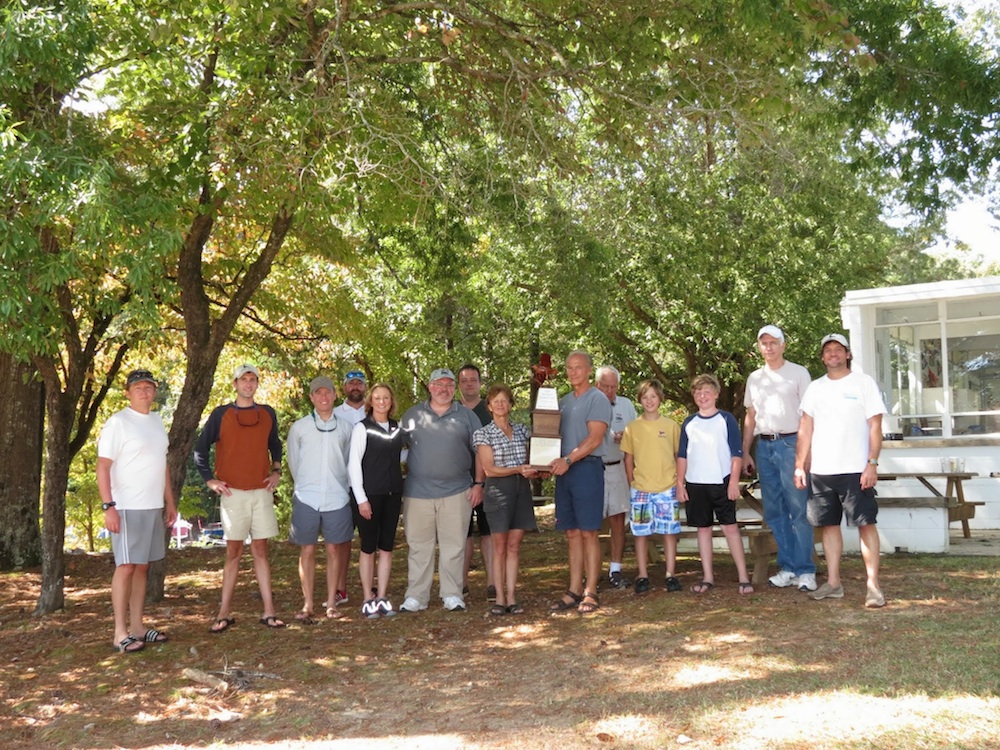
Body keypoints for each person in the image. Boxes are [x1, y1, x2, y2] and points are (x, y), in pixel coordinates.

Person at [794, 333, 887, 608]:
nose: (833, 354)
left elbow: (875, 426)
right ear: (822, 357)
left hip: (856, 470)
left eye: (838, 349)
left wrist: (872, 463)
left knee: (865, 525)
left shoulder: (863, 383)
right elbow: (805, 429)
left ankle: (873, 586)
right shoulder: (815, 388)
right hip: (821, 472)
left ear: (847, 354)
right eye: (828, 350)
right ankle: (833, 583)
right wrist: (800, 465)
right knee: (828, 526)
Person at [194, 364, 286, 632]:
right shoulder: (221, 414)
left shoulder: (267, 413)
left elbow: (275, 444)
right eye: (243, 379)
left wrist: (277, 470)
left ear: (257, 383)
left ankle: (269, 612)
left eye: (252, 379)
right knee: (233, 552)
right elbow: (200, 449)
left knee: (261, 551)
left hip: (261, 491)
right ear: (235, 384)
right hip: (232, 493)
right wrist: (209, 479)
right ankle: (223, 613)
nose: (248, 384)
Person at [97, 369, 178, 653]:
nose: (144, 391)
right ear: (128, 392)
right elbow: (103, 466)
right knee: (126, 566)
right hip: (126, 506)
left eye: (149, 387)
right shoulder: (118, 423)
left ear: (155, 391)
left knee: (143, 566)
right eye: (138, 387)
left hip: (152, 505)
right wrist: (108, 506)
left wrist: (170, 502)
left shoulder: (156, 421)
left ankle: (138, 627)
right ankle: (119, 633)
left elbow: (162, 465)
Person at [398, 368, 485, 613]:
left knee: (454, 546)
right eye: (439, 384)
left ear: (454, 388)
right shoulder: (412, 414)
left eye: (448, 385)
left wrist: (478, 484)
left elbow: (481, 451)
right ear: (429, 386)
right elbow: (395, 449)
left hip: (457, 491)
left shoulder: (466, 416)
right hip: (417, 492)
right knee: (418, 546)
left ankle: (452, 594)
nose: (443, 389)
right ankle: (416, 596)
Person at [742, 325, 818, 591]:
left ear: (783, 345)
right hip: (764, 447)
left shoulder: (798, 373)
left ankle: (806, 570)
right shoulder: (755, 378)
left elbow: (808, 416)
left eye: (773, 342)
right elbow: (751, 417)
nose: (769, 347)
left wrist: (805, 454)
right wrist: (745, 452)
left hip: (791, 443)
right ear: (759, 347)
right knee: (775, 511)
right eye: (764, 343)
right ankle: (788, 567)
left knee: (799, 510)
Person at [677, 374, 753, 595]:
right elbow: (682, 455)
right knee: (703, 529)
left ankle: (743, 577)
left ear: (716, 394)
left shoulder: (726, 419)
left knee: (730, 528)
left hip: (722, 482)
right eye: (698, 392)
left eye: (707, 392)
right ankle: (708, 577)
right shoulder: (689, 423)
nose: (703, 396)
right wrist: (680, 483)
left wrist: (734, 482)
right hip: (696, 483)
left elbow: (736, 454)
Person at [548, 351, 612, 615]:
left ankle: (591, 590)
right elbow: (549, 436)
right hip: (565, 473)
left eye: (578, 367)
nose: (573, 372)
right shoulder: (563, 402)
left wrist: (568, 459)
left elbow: (595, 438)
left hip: (586, 469)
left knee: (588, 532)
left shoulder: (597, 399)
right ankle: (574, 589)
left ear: (588, 370)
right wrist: (546, 463)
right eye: (569, 368)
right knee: (571, 532)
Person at [286, 376, 353, 621]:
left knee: (334, 548)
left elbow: (348, 460)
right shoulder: (300, 427)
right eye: (318, 393)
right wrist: (304, 485)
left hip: (337, 497)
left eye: (328, 392)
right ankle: (308, 604)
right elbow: (294, 461)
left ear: (335, 395)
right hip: (307, 497)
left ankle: (332, 604)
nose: (323, 397)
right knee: (307, 549)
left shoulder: (346, 428)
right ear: (311, 397)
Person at [473, 384, 539, 615]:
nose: (500, 405)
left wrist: (538, 468)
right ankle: (499, 599)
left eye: (504, 400)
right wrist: (518, 469)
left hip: (521, 490)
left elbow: (533, 458)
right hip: (498, 491)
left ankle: (512, 597)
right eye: (496, 401)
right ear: (489, 406)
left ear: (511, 404)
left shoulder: (522, 430)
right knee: (499, 547)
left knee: (514, 546)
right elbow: (489, 469)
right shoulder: (483, 433)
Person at [348, 383, 407, 619]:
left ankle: (382, 597)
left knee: (387, 548)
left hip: (392, 494)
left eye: (386, 398)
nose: (382, 402)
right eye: (377, 398)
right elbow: (354, 465)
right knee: (368, 547)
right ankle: (367, 598)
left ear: (391, 401)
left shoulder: (396, 428)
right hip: (369, 496)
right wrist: (361, 499)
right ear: (370, 402)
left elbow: (399, 456)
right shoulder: (362, 428)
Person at [620, 379, 682, 595]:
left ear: (660, 399)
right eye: (645, 397)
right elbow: (628, 459)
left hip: (667, 487)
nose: (649, 401)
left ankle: (671, 574)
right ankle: (643, 575)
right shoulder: (632, 428)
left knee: (669, 532)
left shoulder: (671, 426)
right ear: (640, 400)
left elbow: (678, 456)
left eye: (653, 396)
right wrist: (632, 483)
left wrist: (679, 482)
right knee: (641, 533)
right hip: (641, 489)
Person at [595, 365, 637, 589]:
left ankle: (615, 570)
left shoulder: (626, 405)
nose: (610, 391)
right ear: (597, 385)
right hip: (593, 468)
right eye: (605, 386)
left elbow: (638, 434)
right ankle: (591, 572)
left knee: (618, 519)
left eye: (613, 387)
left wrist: (627, 438)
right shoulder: (589, 403)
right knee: (591, 523)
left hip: (618, 466)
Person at [457, 363, 496, 601]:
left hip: (489, 481)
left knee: (488, 532)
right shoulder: (452, 410)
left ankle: (493, 583)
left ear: (480, 383)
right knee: (462, 534)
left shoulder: (490, 409)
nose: (469, 384)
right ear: (458, 385)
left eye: (473, 380)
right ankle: (461, 584)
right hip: (458, 482)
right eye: (464, 380)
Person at [331, 369, 368, 605]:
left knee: (370, 539)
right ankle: (340, 589)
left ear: (365, 387)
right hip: (342, 486)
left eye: (359, 383)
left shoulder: (375, 411)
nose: (355, 386)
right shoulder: (333, 414)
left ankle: (370, 588)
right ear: (344, 388)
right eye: (351, 383)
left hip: (370, 485)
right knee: (342, 539)